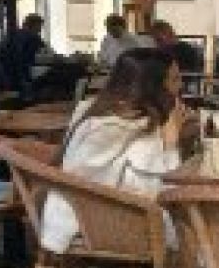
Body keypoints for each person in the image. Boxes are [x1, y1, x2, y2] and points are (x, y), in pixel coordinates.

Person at [39, 47, 185, 253]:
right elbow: (158, 189)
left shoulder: (112, 113)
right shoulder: (113, 126)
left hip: (101, 210)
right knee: (195, 224)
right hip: (90, 221)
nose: (180, 86)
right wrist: (171, 143)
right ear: (152, 85)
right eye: (174, 79)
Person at [0, 13, 52, 100]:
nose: (40, 30)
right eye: (39, 26)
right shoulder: (31, 37)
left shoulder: (12, 35)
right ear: (35, 25)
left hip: (3, 75)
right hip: (17, 76)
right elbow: (44, 54)